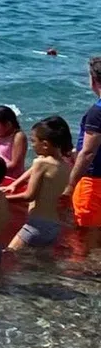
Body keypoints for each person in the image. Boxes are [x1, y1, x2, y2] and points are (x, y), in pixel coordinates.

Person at [3, 119, 71, 258]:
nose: (32, 145)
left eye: (33, 141)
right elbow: (36, 169)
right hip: (54, 226)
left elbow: (29, 196)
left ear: (45, 144)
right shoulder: (65, 165)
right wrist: (15, 184)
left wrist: (1, 198)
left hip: (36, 225)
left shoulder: (41, 162)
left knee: (8, 256)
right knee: (40, 262)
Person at [67, 57, 101, 258]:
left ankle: (78, 278)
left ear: (94, 80)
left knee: (83, 234)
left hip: (92, 180)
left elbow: (88, 152)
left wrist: (70, 184)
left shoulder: (97, 113)